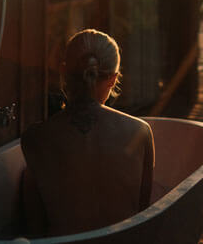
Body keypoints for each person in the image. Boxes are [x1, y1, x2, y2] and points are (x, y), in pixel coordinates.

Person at [20, 29, 155, 237]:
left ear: (63, 70)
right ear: (113, 79)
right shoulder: (140, 131)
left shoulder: (34, 138)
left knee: (28, 175)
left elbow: (35, 230)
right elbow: (144, 216)